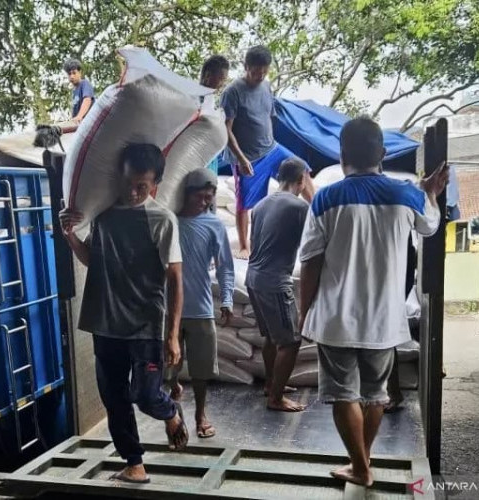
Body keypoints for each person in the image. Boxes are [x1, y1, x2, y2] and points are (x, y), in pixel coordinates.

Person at [298, 117, 448, 487]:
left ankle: (360, 466)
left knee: (342, 394)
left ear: (342, 154)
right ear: (382, 154)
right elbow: (429, 225)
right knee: (375, 394)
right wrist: (428, 191)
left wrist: (306, 313)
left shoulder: (325, 198)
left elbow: (310, 262)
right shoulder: (406, 194)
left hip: (336, 319)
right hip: (384, 319)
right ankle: (362, 463)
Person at [60, 143, 188, 484]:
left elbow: (176, 280)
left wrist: (172, 335)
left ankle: (169, 410)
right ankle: (134, 462)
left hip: (146, 325)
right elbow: (93, 260)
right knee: (114, 399)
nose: (133, 192)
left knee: (145, 396)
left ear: (155, 186)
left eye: (142, 187)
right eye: (128, 183)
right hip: (105, 322)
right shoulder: (101, 215)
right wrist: (71, 236)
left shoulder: (162, 219)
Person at [221, 45, 315, 259]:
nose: (260, 76)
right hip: (248, 157)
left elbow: (269, 117)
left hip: (271, 148)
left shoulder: (266, 86)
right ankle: (245, 245)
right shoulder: (232, 92)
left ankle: (318, 213)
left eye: (264, 71)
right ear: (246, 67)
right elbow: (226, 130)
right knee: (245, 203)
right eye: (256, 72)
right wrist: (242, 159)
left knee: (302, 169)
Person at [167, 169, 234, 438]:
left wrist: (227, 298)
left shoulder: (214, 225)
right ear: (186, 193)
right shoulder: (169, 220)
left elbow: (225, 266)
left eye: (209, 197)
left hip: (201, 308)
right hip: (169, 310)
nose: (204, 202)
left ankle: (200, 414)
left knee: (202, 369)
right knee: (168, 367)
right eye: (200, 196)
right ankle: (173, 392)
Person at [246, 158, 309, 412]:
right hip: (274, 281)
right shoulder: (299, 207)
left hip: (253, 277)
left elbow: (254, 242)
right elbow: (313, 244)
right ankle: (276, 398)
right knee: (291, 342)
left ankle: (271, 384)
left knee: (272, 338)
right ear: (301, 180)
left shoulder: (260, 205)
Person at [199, 55, 231, 175]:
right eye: (221, 78)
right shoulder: (196, 99)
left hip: (210, 158)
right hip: (197, 157)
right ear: (208, 75)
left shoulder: (210, 99)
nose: (223, 84)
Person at [63, 58, 94, 124]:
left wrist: (79, 116)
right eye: (69, 74)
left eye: (74, 73)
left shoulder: (85, 84)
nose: (72, 76)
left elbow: (87, 100)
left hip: (90, 123)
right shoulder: (74, 91)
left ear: (80, 72)